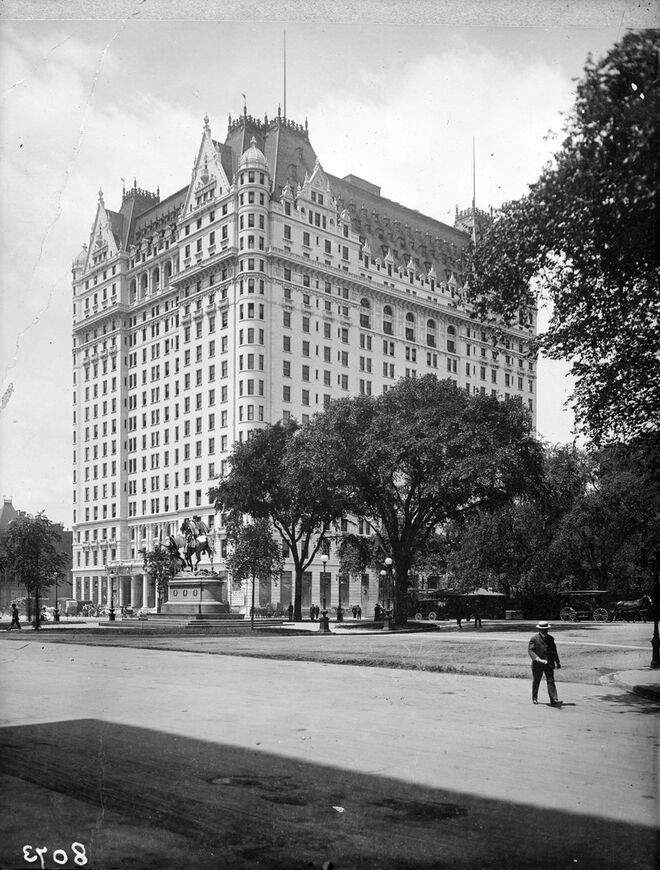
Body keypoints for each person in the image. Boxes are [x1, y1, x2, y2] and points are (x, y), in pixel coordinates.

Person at [528, 621, 562, 706]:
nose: (545, 631)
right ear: (539, 629)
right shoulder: (534, 639)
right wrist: (538, 659)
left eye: (546, 629)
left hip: (549, 664)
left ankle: (553, 699)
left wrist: (557, 662)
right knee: (536, 681)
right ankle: (534, 698)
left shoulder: (551, 639)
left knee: (550, 681)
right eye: (543, 629)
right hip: (538, 664)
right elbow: (530, 651)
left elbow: (554, 651)